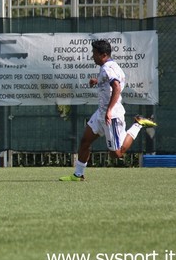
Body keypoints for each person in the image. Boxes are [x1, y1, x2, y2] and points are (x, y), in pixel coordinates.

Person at [59, 39, 157, 181]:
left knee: (116, 154)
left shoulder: (107, 68)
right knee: (85, 141)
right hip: (101, 112)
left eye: (94, 53)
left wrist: (109, 110)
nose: (92, 56)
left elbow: (116, 87)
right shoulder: (109, 66)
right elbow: (110, 81)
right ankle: (78, 175)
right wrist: (97, 81)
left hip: (112, 115)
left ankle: (138, 124)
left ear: (103, 54)